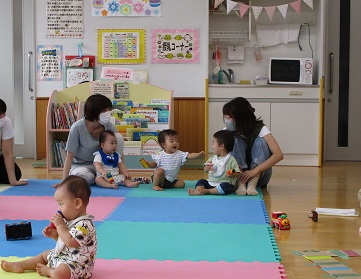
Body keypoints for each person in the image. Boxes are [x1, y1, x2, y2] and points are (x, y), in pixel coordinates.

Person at [1, 175, 97, 279]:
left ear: (77, 203)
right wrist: (55, 236)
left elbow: (70, 242)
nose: (59, 209)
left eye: (61, 204)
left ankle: (50, 272)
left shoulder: (84, 225)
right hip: (64, 258)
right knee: (46, 254)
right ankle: (20, 265)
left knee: (61, 272)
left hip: (78, 266)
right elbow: (66, 243)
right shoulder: (70, 221)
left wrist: (60, 225)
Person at [223, 97, 283, 195]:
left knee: (260, 141)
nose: (226, 120)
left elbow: (278, 154)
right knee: (235, 139)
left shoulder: (260, 128)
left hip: (259, 177)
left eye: (229, 117)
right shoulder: (226, 131)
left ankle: (252, 184)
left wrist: (255, 171)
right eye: (225, 117)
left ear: (240, 117)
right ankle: (240, 182)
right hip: (235, 176)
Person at [61, 94, 124, 186]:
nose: (108, 113)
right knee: (85, 178)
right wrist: (64, 181)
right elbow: (70, 155)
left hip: (104, 165)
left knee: (118, 137)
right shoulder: (77, 127)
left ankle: (106, 176)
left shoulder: (109, 126)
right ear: (94, 112)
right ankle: (97, 179)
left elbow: (119, 151)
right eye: (104, 111)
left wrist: (123, 172)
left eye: (109, 110)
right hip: (81, 165)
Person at [189, 130, 240, 196]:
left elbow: (237, 173)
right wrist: (207, 168)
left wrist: (232, 174)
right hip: (210, 183)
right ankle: (199, 190)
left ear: (221, 146)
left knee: (227, 187)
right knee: (201, 181)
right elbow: (205, 169)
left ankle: (208, 191)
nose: (212, 146)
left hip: (223, 184)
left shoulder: (231, 159)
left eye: (213, 143)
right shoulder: (212, 158)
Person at [0, 99, 28, 186]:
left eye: (3, 114)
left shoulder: (5, 122)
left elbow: (7, 153)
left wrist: (13, 181)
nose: (2, 117)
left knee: (16, 174)